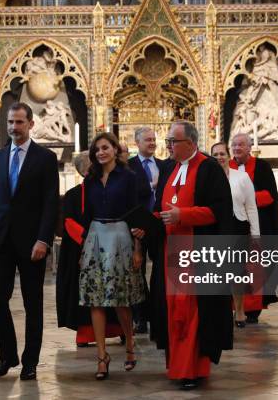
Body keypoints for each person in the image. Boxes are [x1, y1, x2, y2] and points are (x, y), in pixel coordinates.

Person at [150, 121, 234, 390]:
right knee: (174, 311)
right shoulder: (167, 168)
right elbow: (159, 207)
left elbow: (219, 212)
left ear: (190, 142)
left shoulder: (209, 168)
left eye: (173, 141)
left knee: (194, 311)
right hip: (171, 252)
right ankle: (177, 367)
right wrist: (146, 223)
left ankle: (193, 369)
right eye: (169, 141)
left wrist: (182, 215)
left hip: (198, 251)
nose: (169, 146)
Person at [0, 102, 59, 381]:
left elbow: (51, 204)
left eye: (19, 122)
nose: (14, 127)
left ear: (30, 124)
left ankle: (30, 361)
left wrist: (43, 240)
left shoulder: (45, 158)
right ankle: (7, 355)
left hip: (31, 243)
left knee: (32, 303)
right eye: (11, 122)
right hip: (0, 240)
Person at [79, 132, 145, 380]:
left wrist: (138, 248)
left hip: (120, 236)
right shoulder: (91, 179)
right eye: (97, 149)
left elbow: (136, 213)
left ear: (115, 149)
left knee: (121, 300)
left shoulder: (128, 177)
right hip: (96, 235)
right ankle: (101, 356)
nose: (100, 152)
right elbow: (86, 216)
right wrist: (82, 249)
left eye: (105, 147)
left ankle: (129, 345)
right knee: (95, 300)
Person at [56, 152, 124, 347]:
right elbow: (69, 223)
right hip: (83, 251)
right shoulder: (73, 195)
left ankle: (118, 329)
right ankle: (86, 333)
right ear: (86, 170)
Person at [229, 132, 278, 324]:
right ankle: (235, 307)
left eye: (241, 145)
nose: (237, 148)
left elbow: (270, 195)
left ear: (250, 147)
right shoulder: (226, 167)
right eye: (234, 145)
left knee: (255, 269)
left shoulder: (262, 167)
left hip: (259, 225)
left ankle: (253, 309)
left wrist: (247, 200)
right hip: (235, 227)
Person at [211, 142, 260, 328]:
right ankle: (222, 311)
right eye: (215, 154)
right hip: (216, 228)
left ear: (228, 156)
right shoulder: (208, 178)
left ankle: (239, 310)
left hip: (238, 225)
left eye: (222, 154)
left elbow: (251, 207)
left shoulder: (242, 177)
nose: (219, 157)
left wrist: (256, 235)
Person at [127, 126, 164, 334]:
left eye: (153, 139)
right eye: (147, 140)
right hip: (137, 227)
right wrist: (152, 185)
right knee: (137, 274)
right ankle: (139, 317)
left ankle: (158, 313)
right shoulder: (129, 166)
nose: (152, 143)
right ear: (137, 143)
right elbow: (129, 197)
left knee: (159, 271)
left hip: (158, 225)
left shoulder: (164, 165)